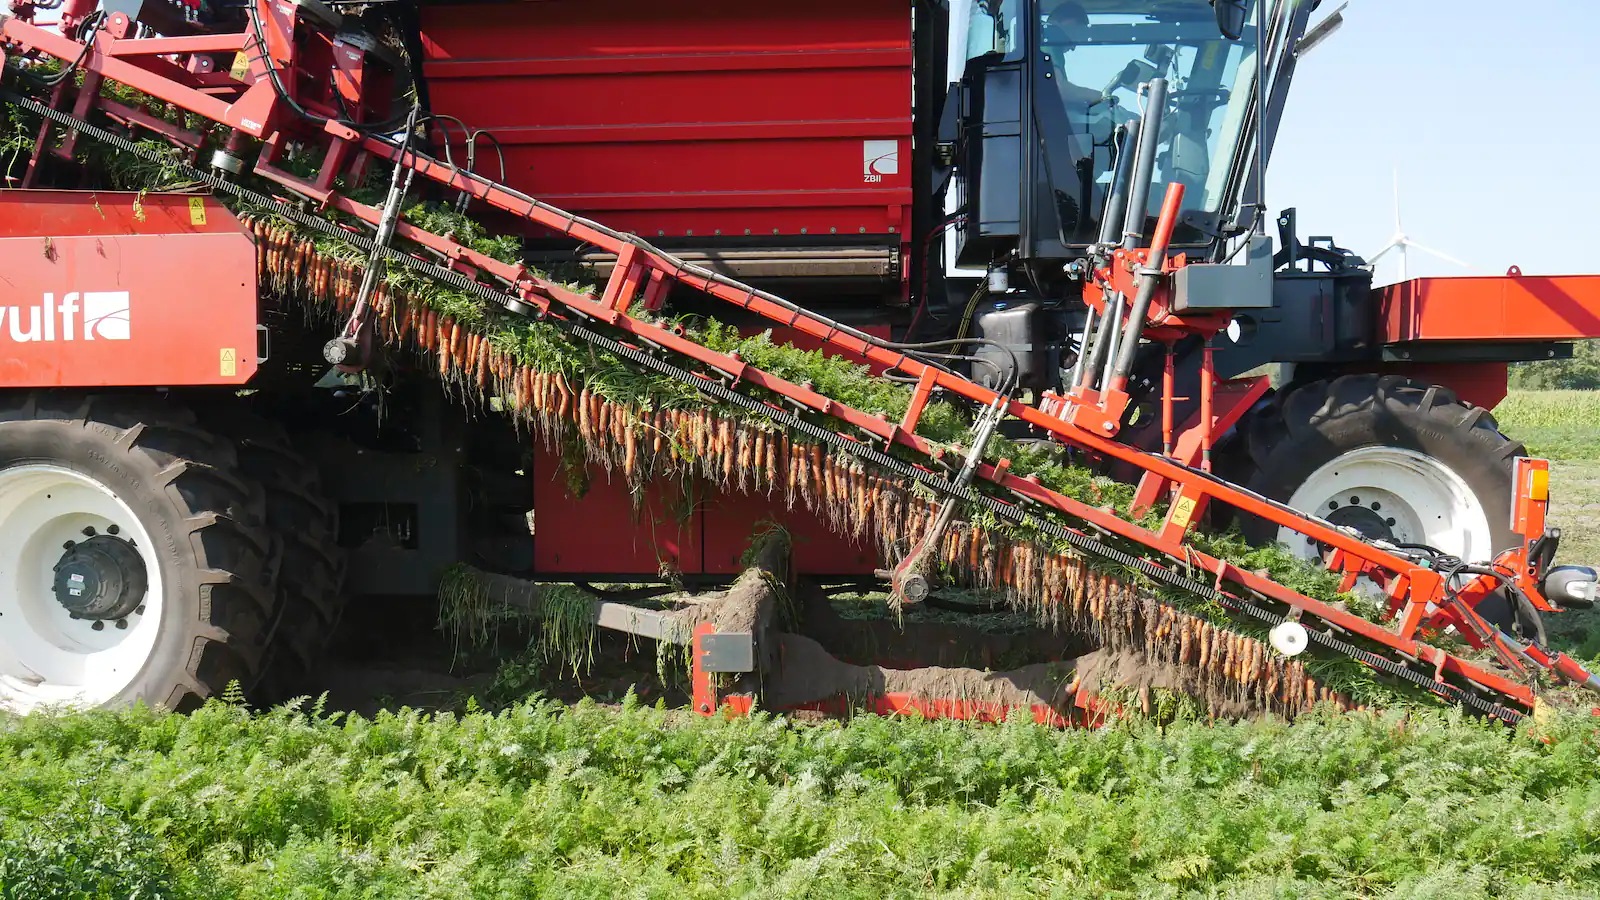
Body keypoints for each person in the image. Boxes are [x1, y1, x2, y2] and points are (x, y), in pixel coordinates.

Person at [1040, 0, 1105, 107]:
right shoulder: (1050, 37)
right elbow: (1059, 89)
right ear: (1068, 23)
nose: (1073, 47)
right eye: (1078, 34)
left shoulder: (1041, 38)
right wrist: (1099, 96)